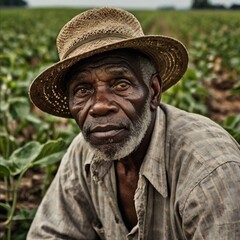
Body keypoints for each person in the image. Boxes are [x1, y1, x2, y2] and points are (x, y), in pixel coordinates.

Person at [27, 7, 240, 240]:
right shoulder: (82, 154)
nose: (99, 106)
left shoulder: (210, 170)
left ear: (154, 92)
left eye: (120, 85)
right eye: (83, 89)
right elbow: (50, 234)